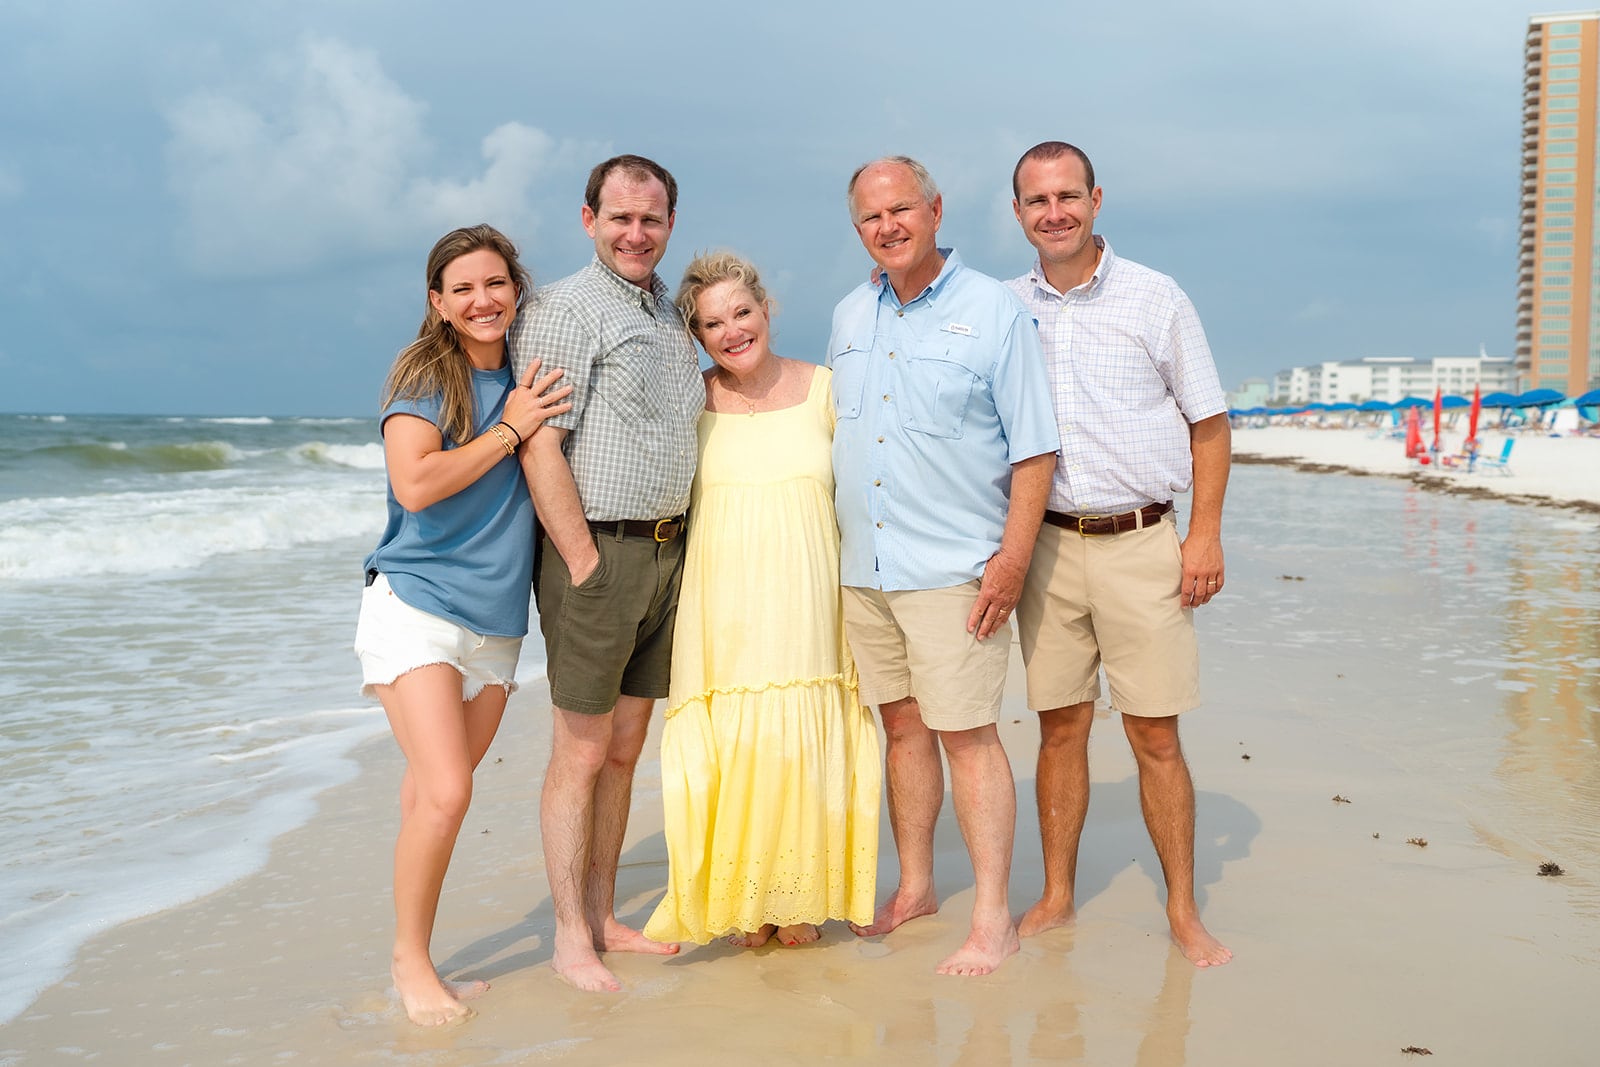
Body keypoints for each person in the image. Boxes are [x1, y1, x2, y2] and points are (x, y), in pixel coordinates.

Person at [1005, 140, 1234, 968]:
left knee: (1155, 734)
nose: (1054, 211)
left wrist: (1203, 534)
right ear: (1019, 212)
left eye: (1068, 195)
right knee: (1059, 728)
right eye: (1037, 200)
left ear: (1096, 200)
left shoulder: (1155, 297)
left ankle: (1182, 907)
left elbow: (1209, 423)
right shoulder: (1003, 307)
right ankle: (1057, 894)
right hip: (1049, 550)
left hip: (1144, 542)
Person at [829, 156, 1060, 976]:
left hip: (956, 568)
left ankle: (992, 913)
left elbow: (1035, 448)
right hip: (866, 569)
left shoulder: (993, 310)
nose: (887, 227)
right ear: (857, 228)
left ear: (934, 210)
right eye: (870, 217)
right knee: (901, 728)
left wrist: (1010, 560)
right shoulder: (850, 314)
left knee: (967, 734)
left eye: (901, 210)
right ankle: (918, 884)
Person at [354, 224, 573, 1026]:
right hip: (415, 605)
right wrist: (509, 431)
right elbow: (415, 483)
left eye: (496, 283)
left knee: (429, 795)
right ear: (438, 303)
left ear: (516, 289)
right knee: (448, 791)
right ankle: (410, 962)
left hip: (496, 622)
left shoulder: (528, 371)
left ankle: (421, 955)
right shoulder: (425, 374)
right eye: (464, 288)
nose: (482, 300)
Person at [642, 252, 881, 949]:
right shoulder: (692, 402)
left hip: (808, 595)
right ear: (698, 335)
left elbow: (867, 492)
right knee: (739, 739)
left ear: (766, 309)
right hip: (722, 604)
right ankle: (745, 898)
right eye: (712, 323)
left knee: (797, 736)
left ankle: (798, 894)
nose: (731, 330)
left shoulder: (826, 390)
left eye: (741, 312)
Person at [509, 154, 704, 992]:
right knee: (580, 753)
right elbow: (538, 438)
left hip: (666, 554)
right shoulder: (563, 309)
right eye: (620, 217)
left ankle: (602, 913)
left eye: (651, 219)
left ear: (668, 225)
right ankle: (567, 936)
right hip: (599, 554)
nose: (636, 233)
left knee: (625, 749)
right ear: (588, 219)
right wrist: (582, 559)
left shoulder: (667, 310)